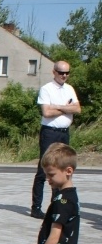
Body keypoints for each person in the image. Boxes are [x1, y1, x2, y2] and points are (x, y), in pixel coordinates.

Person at [31, 61, 81, 219]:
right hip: (50, 132)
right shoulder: (47, 89)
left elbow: (78, 109)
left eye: (67, 73)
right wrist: (66, 107)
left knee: (62, 166)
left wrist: (57, 107)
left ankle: (56, 203)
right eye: (61, 72)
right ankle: (36, 207)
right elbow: (46, 112)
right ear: (54, 72)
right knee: (43, 169)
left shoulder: (69, 89)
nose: (64, 76)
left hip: (64, 132)